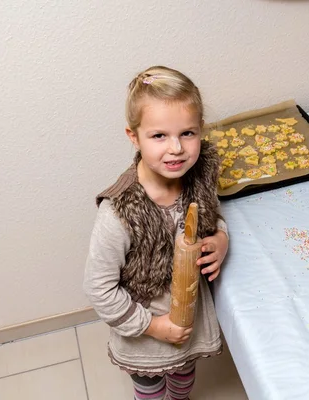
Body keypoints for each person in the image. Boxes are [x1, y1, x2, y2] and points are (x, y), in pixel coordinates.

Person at [83, 65, 230, 400]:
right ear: (133, 137)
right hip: (146, 330)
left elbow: (213, 215)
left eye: (188, 133)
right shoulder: (118, 213)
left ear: (200, 130)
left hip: (187, 320)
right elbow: (99, 288)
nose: (176, 148)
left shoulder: (198, 177)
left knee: (183, 376)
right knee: (151, 388)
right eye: (159, 136)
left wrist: (221, 239)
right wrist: (154, 326)